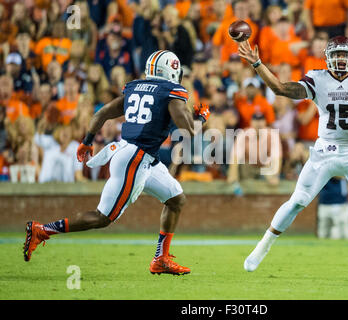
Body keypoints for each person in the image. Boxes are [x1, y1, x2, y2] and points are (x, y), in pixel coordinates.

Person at [23, 50, 211, 276]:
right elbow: (189, 132)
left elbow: (101, 114)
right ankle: (42, 230)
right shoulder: (171, 91)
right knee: (102, 218)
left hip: (139, 156)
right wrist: (201, 117)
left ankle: (160, 258)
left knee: (176, 199)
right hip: (136, 159)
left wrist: (87, 142)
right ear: (172, 70)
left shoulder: (136, 87)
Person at [238, 36, 348, 272]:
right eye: (337, 54)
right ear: (328, 57)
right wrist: (258, 64)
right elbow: (280, 89)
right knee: (297, 201)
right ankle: (262, 247)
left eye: (345, 55)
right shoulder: (317, 78)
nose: (341, 59)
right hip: (325, 149)